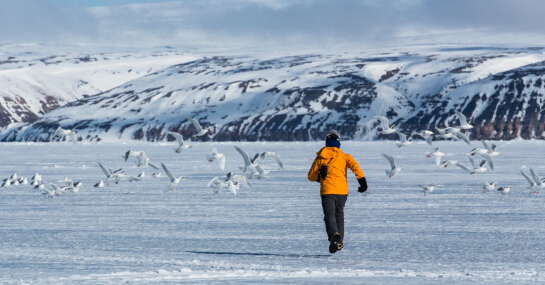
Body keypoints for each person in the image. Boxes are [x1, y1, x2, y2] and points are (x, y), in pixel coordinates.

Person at [308, 132, 368, 253]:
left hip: (327, 191)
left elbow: (311, 176)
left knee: (329, 215)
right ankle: (338, 241)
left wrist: (320, 176)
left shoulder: (320, 158)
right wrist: (362, 182)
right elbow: (355, 167)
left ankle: (334, 236)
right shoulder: (344, 156)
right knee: (339, 215)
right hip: (342, 192)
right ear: (338, 143)